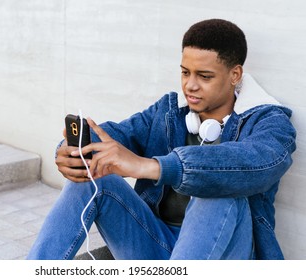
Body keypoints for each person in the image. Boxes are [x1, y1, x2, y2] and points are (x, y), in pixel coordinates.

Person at [27, 19, 296, 260]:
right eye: (185, 72)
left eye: (204, 76)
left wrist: (149, 166)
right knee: (91, 178)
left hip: (225, 255)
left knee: (218, 190)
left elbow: (258, 162)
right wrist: (71, 151)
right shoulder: (169, 111)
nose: (190, 85)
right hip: (156, 244)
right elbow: (117, 134)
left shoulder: (268, 121)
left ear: (234, 75)